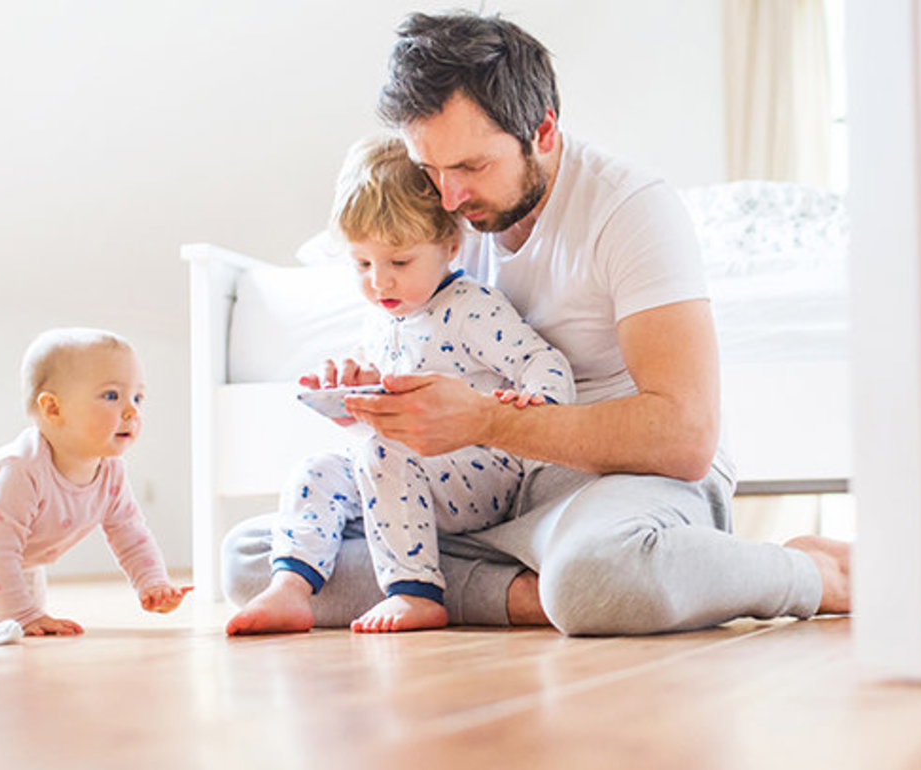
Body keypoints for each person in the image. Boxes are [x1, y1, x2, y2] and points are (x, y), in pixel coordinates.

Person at [223, 11, 850, 635]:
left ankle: (810, 573)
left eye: (470, 167)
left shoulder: (630, 211)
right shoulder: (442, 218)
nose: (447, 199)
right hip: (481, 491)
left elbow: (687, 440)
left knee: (597, 571)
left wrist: (487, 420)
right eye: (430, 169)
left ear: (543, 132)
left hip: (615, 485)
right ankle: (530, 593)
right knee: (254, 557)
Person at [226, 134, 575, 635]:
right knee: (316, 469)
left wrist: (535, 401)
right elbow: (387, 398)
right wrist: (355, 391)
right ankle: (291, 589)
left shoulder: (470, 308)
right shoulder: (383, 318)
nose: (379, 283)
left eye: (399, 262)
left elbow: (544, 361)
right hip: (407, 470)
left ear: (450, 246)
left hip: (482, 468)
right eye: (362, 264)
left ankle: (414, 591)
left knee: (383, 454)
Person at [0, 328, 190, 635]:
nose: (132, 411)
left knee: (20, 616)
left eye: (138, 397)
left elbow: (130, 532)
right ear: (53, 408)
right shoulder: (21, 471)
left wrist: (152, 582)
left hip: (13, 555)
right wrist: (24, 614)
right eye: (112, 396)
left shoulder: (111, 472)